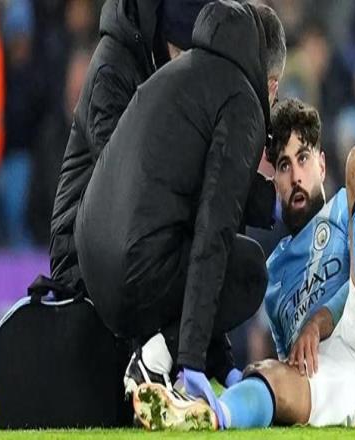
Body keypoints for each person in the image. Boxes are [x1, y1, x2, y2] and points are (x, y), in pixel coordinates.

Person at [135, 98, 355, 430]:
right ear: (275, 182)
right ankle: (207, 415)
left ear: (322, 165)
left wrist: (319, 320)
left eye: (303, 158)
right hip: (331, 378)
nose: (295, 176)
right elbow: (290, 365)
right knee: (266, 372)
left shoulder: (347, 207)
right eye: (283, 165)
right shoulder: (273, 274)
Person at [74, 0, 286, 426]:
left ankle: (163, 356)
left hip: (93, 260)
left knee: (199, 251)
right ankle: (154, 361)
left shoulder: (185, 73)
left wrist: (223, 365)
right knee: (247, 267)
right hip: (133, 269)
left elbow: (191, 228)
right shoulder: (241, 101)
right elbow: (213, 233)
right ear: (273, 84)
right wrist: (190, 360)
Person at [50, 0, 214, 293]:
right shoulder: (112, 70)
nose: (188, 66)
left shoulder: (165, 72)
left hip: (134, 246)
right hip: (84, 259)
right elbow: (121, 182)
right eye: (182, 53)